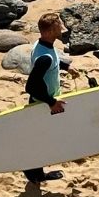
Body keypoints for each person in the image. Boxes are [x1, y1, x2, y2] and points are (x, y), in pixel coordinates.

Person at [23, 11, 67, 185]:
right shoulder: (45, 58)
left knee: (40, 138)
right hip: (41, 104)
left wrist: (65, 66)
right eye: (58, 28)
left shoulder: (43, 45)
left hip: (43, 102)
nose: (61, 30)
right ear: (48, 32)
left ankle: (36, 173)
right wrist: (51, 102)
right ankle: (33, 173)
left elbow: (50, 62)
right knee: (40, 140)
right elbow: (31, 86)